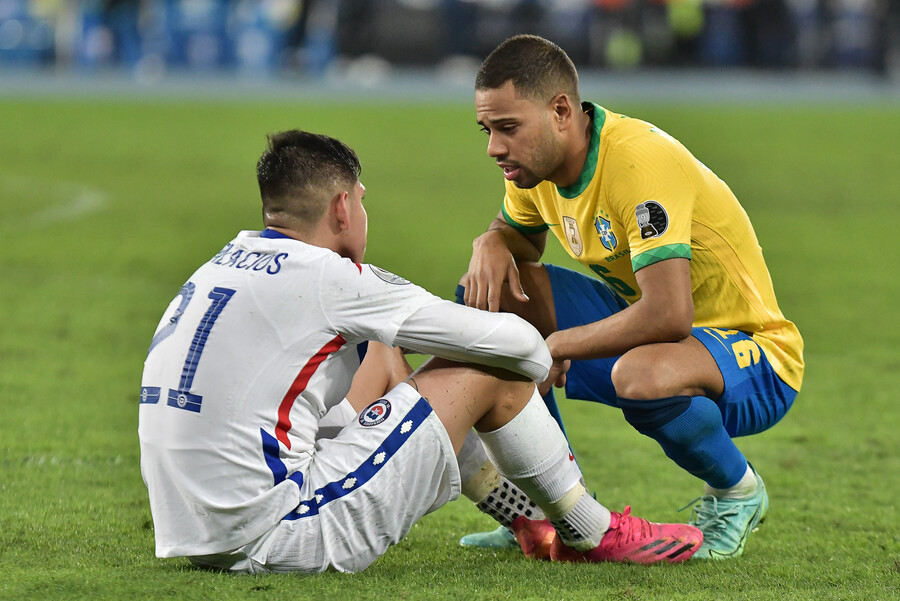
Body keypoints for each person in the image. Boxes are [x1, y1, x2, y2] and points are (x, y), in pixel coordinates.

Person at [138, 129, 703, 574]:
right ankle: (590, 530)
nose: (362, 214)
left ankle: (528, 517)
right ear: (341, 208)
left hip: (197, 533)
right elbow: (517, 346)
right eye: (361, 202)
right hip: (281, 532)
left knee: (383, 354)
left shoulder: (220, 265)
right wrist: (548, 349)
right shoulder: (330, 277)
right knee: (487, 365)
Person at [456, 35, 804, 560]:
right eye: (487, 129)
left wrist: (559, 344)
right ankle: (550, 510)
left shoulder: (637, 163)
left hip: (754, 354)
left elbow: (669, 314)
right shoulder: (534, 168)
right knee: (492, 299)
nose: (494, 148)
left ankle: (737, 492)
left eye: (508, 128)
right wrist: (491, 240)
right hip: (654, 333)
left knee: (639, 376)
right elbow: (521, 239)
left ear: (560, 111)